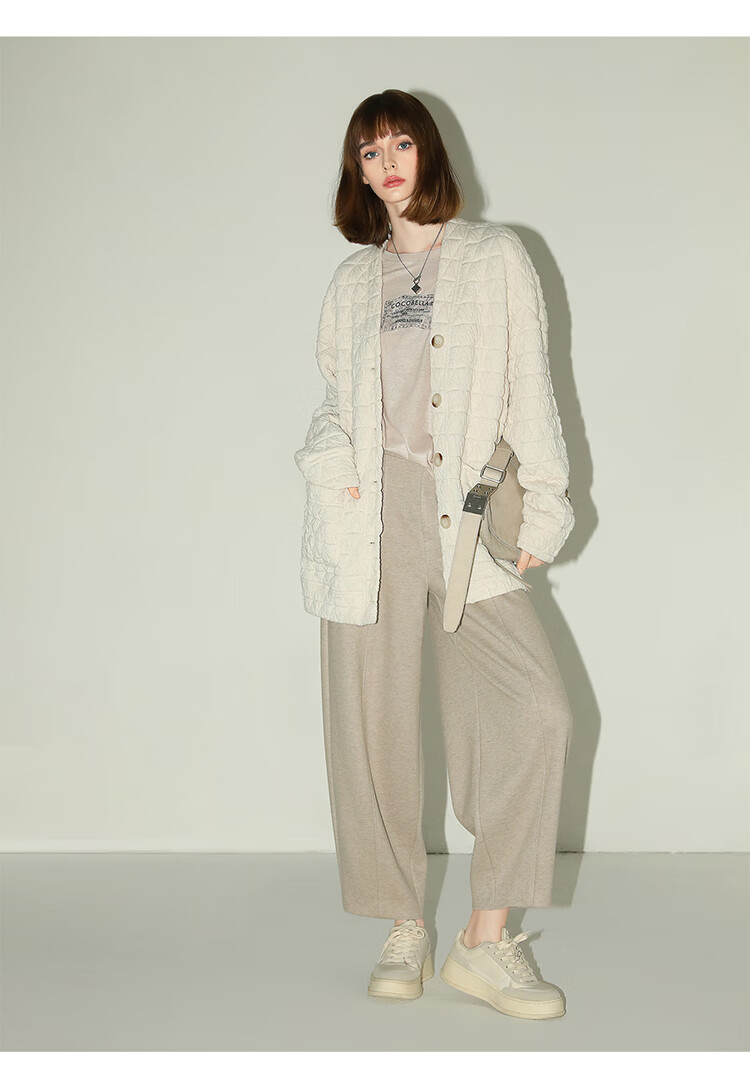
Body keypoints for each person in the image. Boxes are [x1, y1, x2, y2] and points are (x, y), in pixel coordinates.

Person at [293, 90, 575, 1022]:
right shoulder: (352, 282)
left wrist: (546, 507)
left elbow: (530, 386)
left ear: (429, 153)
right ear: (358, 172)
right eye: (369, 153)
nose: (386, 165)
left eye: (400, 144)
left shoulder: (496, 256)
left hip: (465, 515)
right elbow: (335, 400)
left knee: (537, 710)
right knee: (371, 727)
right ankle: (402, 922)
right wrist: (332, 467)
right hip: (368, 515)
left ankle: (484, 942)